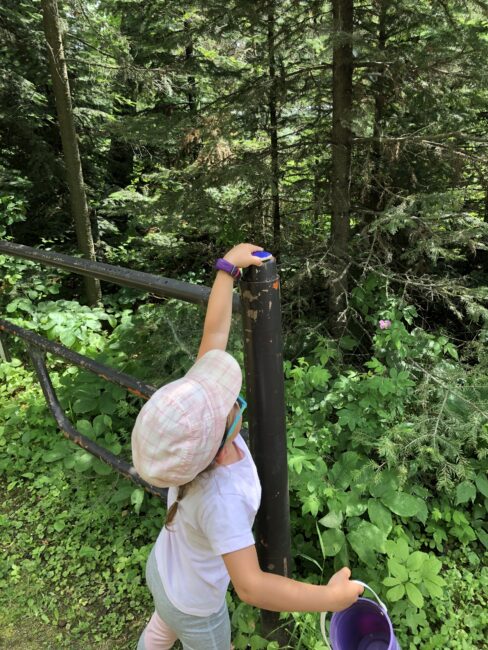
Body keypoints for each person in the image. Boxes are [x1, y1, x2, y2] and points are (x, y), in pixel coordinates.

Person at [133, 243, 364, 650]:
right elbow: (251, 587)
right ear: (222, 432)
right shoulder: (219, 497)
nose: (231, 396)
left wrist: (227, 269)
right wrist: (330, 599)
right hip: (195, 608)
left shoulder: (194, 444)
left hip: (163, 572)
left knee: (159, 630)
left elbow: (214, 338)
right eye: (228, 398)